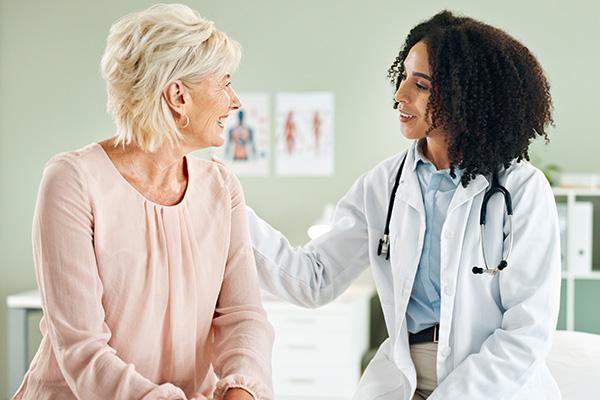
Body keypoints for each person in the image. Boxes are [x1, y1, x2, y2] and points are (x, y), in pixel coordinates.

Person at [247, 11, 560, 400]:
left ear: (465, 96)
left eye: (421, 84)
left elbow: (526, 331)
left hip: (491, 383)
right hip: (404, 376)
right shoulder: (384, 184)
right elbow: (314, 279)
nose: (400, 94)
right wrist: (229, 207)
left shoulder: (522, 189)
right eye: (404, 77)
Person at [13, 4, 272, 400]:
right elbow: (82, 349)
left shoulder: (222, 189)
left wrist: (242, 391)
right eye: (224, 83)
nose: (234, 100)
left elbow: (243, 318)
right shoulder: (73, 180)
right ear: (178, 95)